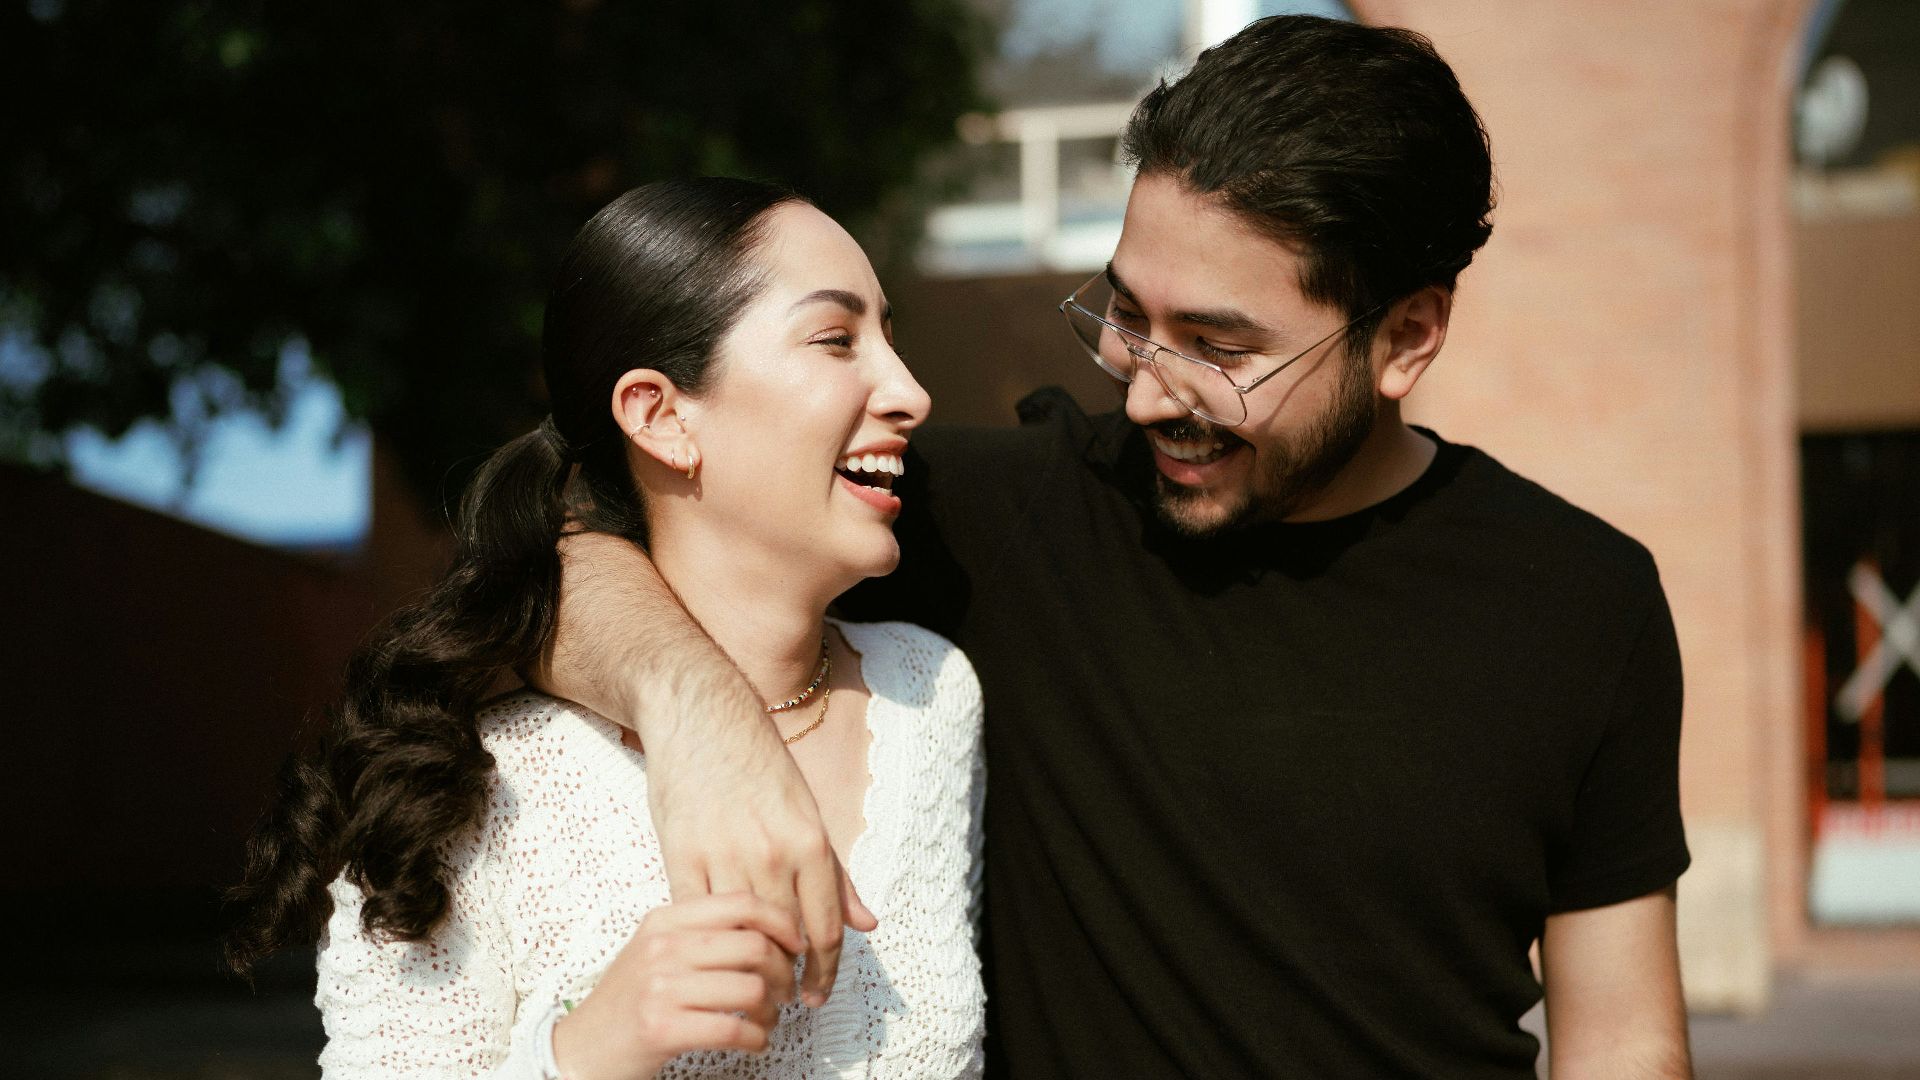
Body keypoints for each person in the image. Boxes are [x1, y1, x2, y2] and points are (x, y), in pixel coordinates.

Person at [541, 16, 1693, 1080]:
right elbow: (565, 531)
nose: (1145, 394)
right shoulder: (1006, 521)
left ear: (1407, 338)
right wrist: (698, 718)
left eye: (1219, 348)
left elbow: (1626, 1042)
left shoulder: (1582, 601)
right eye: (1130, 317)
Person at [225, 178, 987, 1078]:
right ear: (661, 416)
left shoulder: (928, 695)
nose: (910, 392)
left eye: (891, 338)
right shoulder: (465, 771)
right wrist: (588, 1048)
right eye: (836, 340)